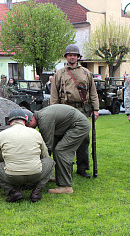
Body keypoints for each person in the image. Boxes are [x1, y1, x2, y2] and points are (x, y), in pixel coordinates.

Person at [50, 44, 99, 179]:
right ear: (66, 57)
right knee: (64, 139)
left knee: (84, 139)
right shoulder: (59, 73)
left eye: (74, 55)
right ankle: (66, 166)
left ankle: (82, 168)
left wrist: (95, 109)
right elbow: (54, 94)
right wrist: (54, 110)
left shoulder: (86, 73)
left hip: (82, 109)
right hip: (65, 109)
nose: (72, 57)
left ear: (78, 57)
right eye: (70, 55)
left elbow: (93, 92)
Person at [0, 109, 55, 202]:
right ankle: (36, 192)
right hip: (36, 174)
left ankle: (13, 191)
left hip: (12, 176)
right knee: (50, 162)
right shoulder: (35, 133)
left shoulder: (1, 135)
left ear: (10, 122)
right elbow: (45, 155)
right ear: (25, 120)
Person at [24, 104, 90, 194]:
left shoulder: (44, 121)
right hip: (71, 125)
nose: (28, 127)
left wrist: (38, 168)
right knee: (58, 149)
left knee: (61, 151)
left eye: (28, 124)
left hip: (79, 126)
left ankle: (66, 186)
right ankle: (61, 177)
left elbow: (47, 147)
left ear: (31, 119)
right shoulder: (41, 116)